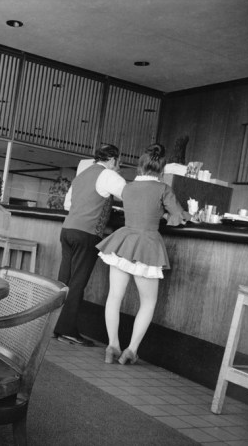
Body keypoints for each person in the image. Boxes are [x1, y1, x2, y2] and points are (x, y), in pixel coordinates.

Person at [97, 144, 192, 364]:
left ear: (141, 165)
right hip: (148, 245)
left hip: (123, 241)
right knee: (147, 303)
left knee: (114, 296)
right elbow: (179, 215)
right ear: (161, 168)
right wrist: (174, 216)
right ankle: (131, 350)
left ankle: (112, 346)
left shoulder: (128, 188)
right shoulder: (163, 189)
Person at [53, 144, 126, 346]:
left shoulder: (82, 175)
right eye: (118, 162)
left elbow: (68, 204)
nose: (118, 166)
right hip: (86, 232)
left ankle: (55, 325)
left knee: (64, 280)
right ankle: (67, 330)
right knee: (77, 282)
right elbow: (130, 195)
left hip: (67, 231)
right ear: (112, 160)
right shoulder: (108, 175)